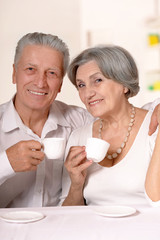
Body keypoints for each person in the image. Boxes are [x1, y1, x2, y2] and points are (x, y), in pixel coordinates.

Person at [0, 32, 94, 208]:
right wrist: (6, 162)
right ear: (14, 73)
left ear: (60, 84)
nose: (41, 83)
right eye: (30, 69)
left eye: (51, 73)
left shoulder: (81, 121)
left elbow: (124, 120)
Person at [60, 45, 160, 207]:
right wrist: (76, 185)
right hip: (94, 231)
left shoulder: (154, 127)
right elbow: (68, 215)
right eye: (81, 85)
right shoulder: (78, 136)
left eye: (97, 80)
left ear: (124, 84)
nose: (87, 93)